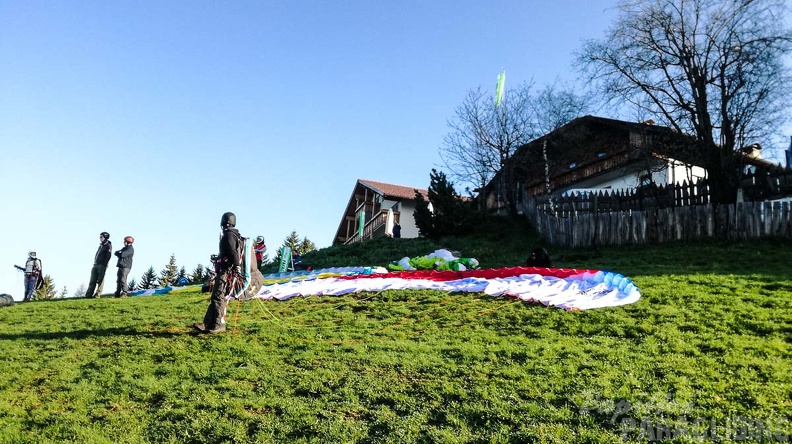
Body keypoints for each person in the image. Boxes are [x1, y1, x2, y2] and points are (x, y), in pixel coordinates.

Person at [194, 212, 242, 334]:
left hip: (226, 271)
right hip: (225, 269)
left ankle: (218, 324)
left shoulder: (229, 235)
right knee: (216, 296)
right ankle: (207, 324)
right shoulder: (232, 234)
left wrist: (236, 266)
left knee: (218, 296)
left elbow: (232, 252)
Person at [86, 232, 113, 298]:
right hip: (96, 264)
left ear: (105, 237)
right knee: (92, 280)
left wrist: (104, 264)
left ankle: (97, 294)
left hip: (102, 265)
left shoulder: (108, 245)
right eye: (100, 237)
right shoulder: (101, 245)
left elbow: (108, 256)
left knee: (100, 281)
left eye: (101, 237)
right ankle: (88, 295)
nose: (100, 238)